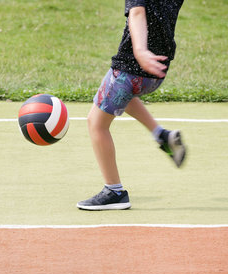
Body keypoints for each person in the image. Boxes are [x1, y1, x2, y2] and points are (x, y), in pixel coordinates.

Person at [77, 0, 187, 211]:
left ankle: (114, 191)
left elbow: (137, 13)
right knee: (125, 97)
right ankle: (161, 135)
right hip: (155, 72)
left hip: (133, 66)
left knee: (96, 123)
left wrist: (139, 51)